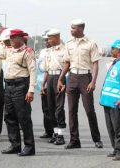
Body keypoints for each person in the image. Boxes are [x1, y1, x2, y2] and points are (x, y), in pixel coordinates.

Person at [57, 19, 103, 149]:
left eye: (73, 28)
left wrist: (93, 81)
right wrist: (61, 79)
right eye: (71, 28)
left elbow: (95, 63)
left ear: (81, 28)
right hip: (72, 77)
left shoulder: (90, 43)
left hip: (85, 78)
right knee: (72, 111)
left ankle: (97, 139)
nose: (71, 30)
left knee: (89, 110)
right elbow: (67, 63)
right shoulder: (68, 43)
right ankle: (74, 140)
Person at [99, 40, 120, 161]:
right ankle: (116, 149)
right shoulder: (115, 62)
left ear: (119, 50)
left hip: (118, 103)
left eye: (113, 48)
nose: (111, 50)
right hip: (108, 102)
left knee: (119, 129)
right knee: (112, 128)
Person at [42, 29, 66, 145]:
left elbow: (67, 65)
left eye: (50, 38)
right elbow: (46, 70)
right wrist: (43, 83)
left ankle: (61, 135)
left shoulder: (64, 50)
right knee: (51, 108)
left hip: (59, 78)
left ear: (57, 37)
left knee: (59, 108)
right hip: (50, 78)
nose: (48, 40)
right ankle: (55, 133)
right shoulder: (48, 51)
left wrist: (61, 79)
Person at [38, 30, 55, 139]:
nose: (46, 42)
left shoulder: (61, 50)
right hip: (44, 82)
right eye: (45, 40)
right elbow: (40, 68)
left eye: (47, 39)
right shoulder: (43, 52)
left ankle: (56, 132)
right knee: (46, 108)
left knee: (55, 108)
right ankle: (48, 131)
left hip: (55, 80)